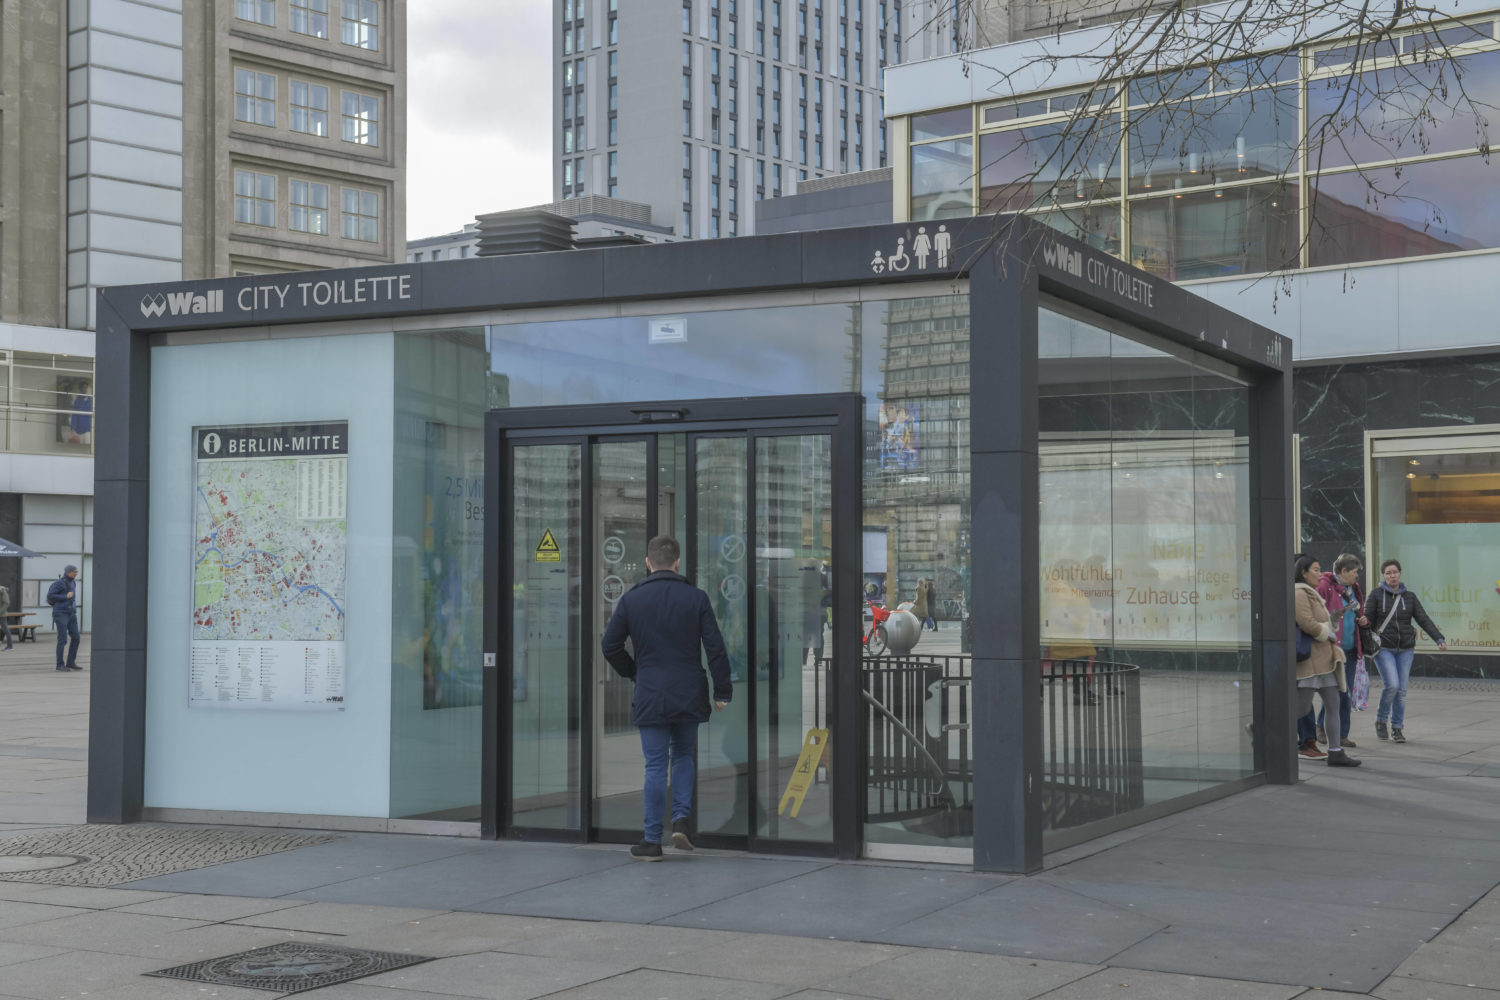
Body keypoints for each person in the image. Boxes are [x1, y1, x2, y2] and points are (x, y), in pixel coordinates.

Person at [601, 535, 732, 861]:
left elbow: (609, 646)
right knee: (684, 756)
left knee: (656, 765)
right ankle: (682, 822)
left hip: (651, 692)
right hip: (689, 690)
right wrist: (722, 691)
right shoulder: (696, 598)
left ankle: (651, 841)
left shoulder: (633, 600)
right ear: (677, 562)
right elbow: (715, 648)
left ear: (648, 563)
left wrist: (634, 672)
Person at [1365, 558, 1446, 744]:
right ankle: (1380, 720)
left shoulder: (1410, 597)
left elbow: (1423, 619)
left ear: (1400, 573)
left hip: (1406, 649)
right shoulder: (1376, 595)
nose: (1392, 576)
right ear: (1383, 576)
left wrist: (1438, 638)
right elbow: (1367, 620)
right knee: (1392, 685)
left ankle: (1397, 728)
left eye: (1395, 572)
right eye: (1388, 573)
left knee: (1401, 690)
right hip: (1384, 647)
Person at [1294, 555, 1360, 766]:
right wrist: (1327, 632)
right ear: (1303, 572)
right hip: (1311, 661)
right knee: (1301, 708)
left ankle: (1335, 751)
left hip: (1326, 660)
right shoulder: (1299, 593)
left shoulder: (1311, 593)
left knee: (1334, 701)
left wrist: (1333, 620)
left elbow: (1320, 621)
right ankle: (1261, 729)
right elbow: (1306, 622)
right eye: (1315, 569)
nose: (1320, 573)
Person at [1315, 554, 1368, 749]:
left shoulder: (1354, 588)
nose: (1357, 576)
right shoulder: (1325, 586)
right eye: (1354, 572)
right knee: (1333, 691)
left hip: (1352, 649)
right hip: (1332, 648)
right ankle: (1321, 725)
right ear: (1343, 571)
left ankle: (1342, 734)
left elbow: (1358, 611)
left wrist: (1362, 620)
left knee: (1345, 692)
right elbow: (1318, 613)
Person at [48, 566, 81, 672]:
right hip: (61, 613)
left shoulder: (73, 582)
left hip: (71, 613)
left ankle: (71, 662)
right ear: (68, 572)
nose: (76, 573)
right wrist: (65, 597)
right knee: (62, 639)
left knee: (76, 637)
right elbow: (50, 595)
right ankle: (60, 665)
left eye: (77, 572)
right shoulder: (59, 583)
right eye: (75, 572)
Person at [0, 582, 12, 651]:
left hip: (2, 615)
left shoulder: (3, 591)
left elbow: (7, 603)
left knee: (6, 630)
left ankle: (10, 646)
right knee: (4, 629)